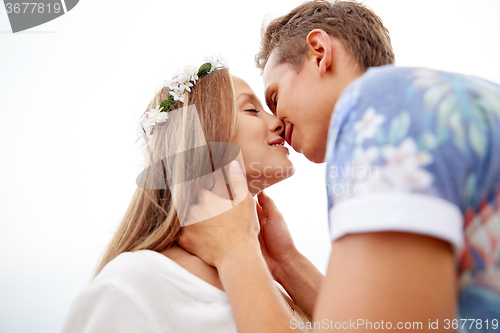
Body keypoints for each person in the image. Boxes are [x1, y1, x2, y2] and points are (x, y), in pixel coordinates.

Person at [179, 1, 500, 332]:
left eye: (275, 97)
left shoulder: (377, 111)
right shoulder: (443, 102)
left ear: (319, 52)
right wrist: (286, 264)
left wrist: (236, 251)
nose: (275, 120)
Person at [61, 57, 315, 333]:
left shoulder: (268, 286)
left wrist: (285, 262)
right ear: (204, 133)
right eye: (252, 110)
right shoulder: (133, 286)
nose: (278, 121)